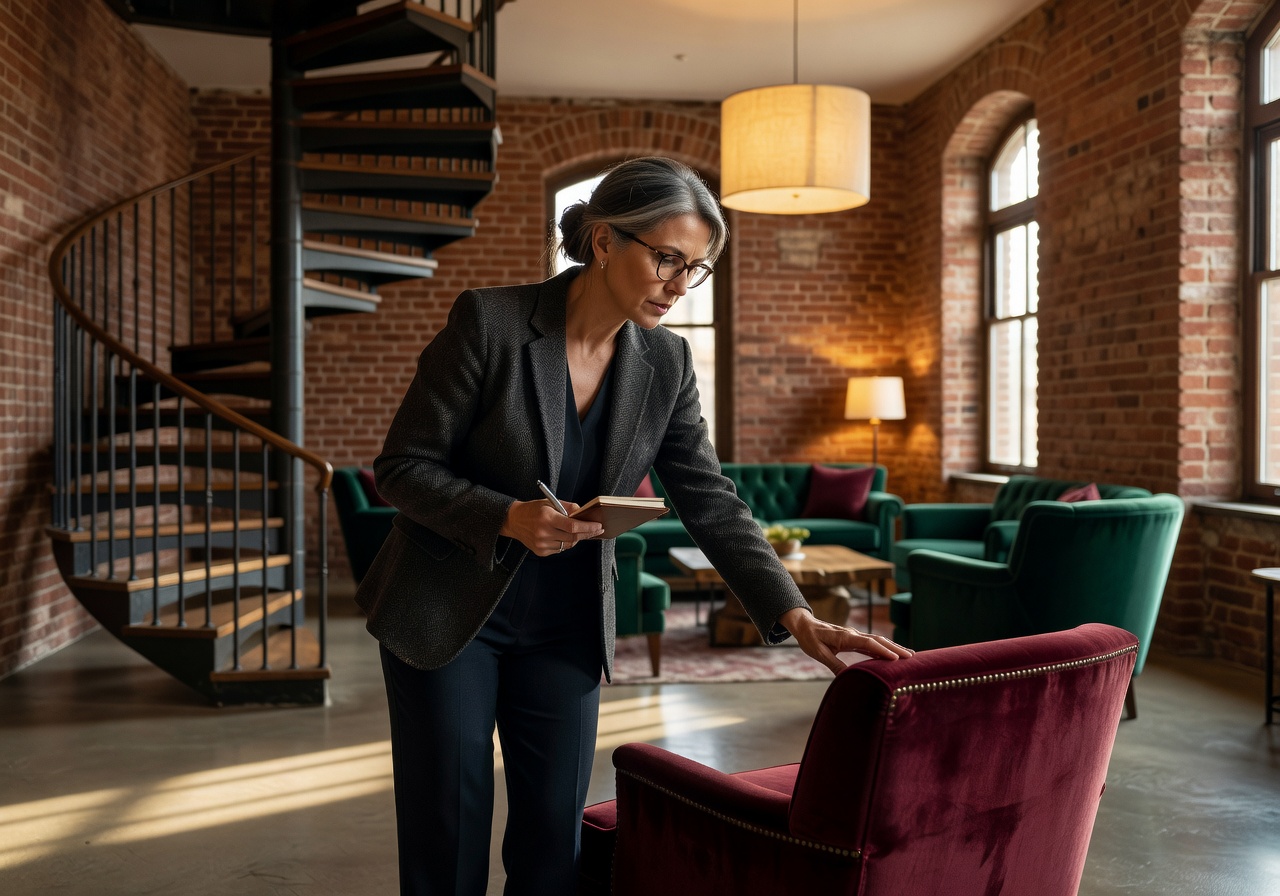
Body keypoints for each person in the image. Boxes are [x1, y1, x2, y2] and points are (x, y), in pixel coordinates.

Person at [355, 156, 913, 896]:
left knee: (554, 840)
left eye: (697, 268)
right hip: (449, 609)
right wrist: (508, 516)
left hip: (567, 622)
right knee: (448, 835)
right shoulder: (489, 321)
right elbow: (403, 466)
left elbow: (709, 497)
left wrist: (794, 613)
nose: (680, 285)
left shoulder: (667, 362)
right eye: (667, 259)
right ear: (602, 240)